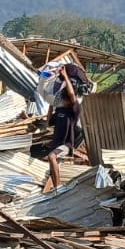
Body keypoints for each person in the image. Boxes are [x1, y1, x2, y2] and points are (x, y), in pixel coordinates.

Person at [42, 62, 89, 191]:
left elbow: (72, 95)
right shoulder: (60, 111)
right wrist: (51, 104)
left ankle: (58, 187)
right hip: (56, 144)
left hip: (67, 145)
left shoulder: (74, 111)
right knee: (52, 161)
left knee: (51, 157)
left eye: (65, 99)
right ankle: (56, 186)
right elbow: (48, 122)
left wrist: (66, 77)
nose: (63, 101)